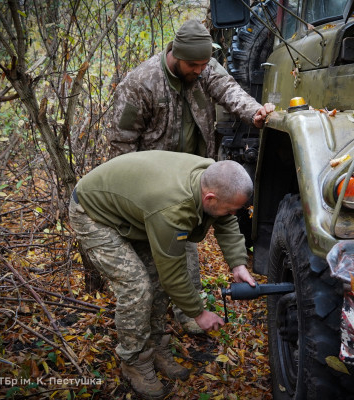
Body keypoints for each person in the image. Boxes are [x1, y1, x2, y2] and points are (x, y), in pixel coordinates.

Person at [103, 19, 275, 334]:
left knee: (187, 255)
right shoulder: (140, 84)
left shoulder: (204, 67)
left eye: (204, 64)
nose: (200, 70)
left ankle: (186, 314)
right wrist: (132, 198)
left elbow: (229, 90)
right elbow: (121, 146)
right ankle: (154, 328)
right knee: (158, 264)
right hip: (155, 187)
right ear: (176, 55)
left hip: (197, 178)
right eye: (193, 65)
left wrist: (254, 113)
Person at [68, 150, 257, 399]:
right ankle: (133, 360)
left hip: (136, 212)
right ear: (209, 198)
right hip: (93, 213)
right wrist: (198, 313)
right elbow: (174, 274)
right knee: (137, 286)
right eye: (230, 209)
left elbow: (226, 220)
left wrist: (237, 264)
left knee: (155, 280)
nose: (233, 214)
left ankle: (155, 345)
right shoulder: (173, 208)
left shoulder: (212, 177)